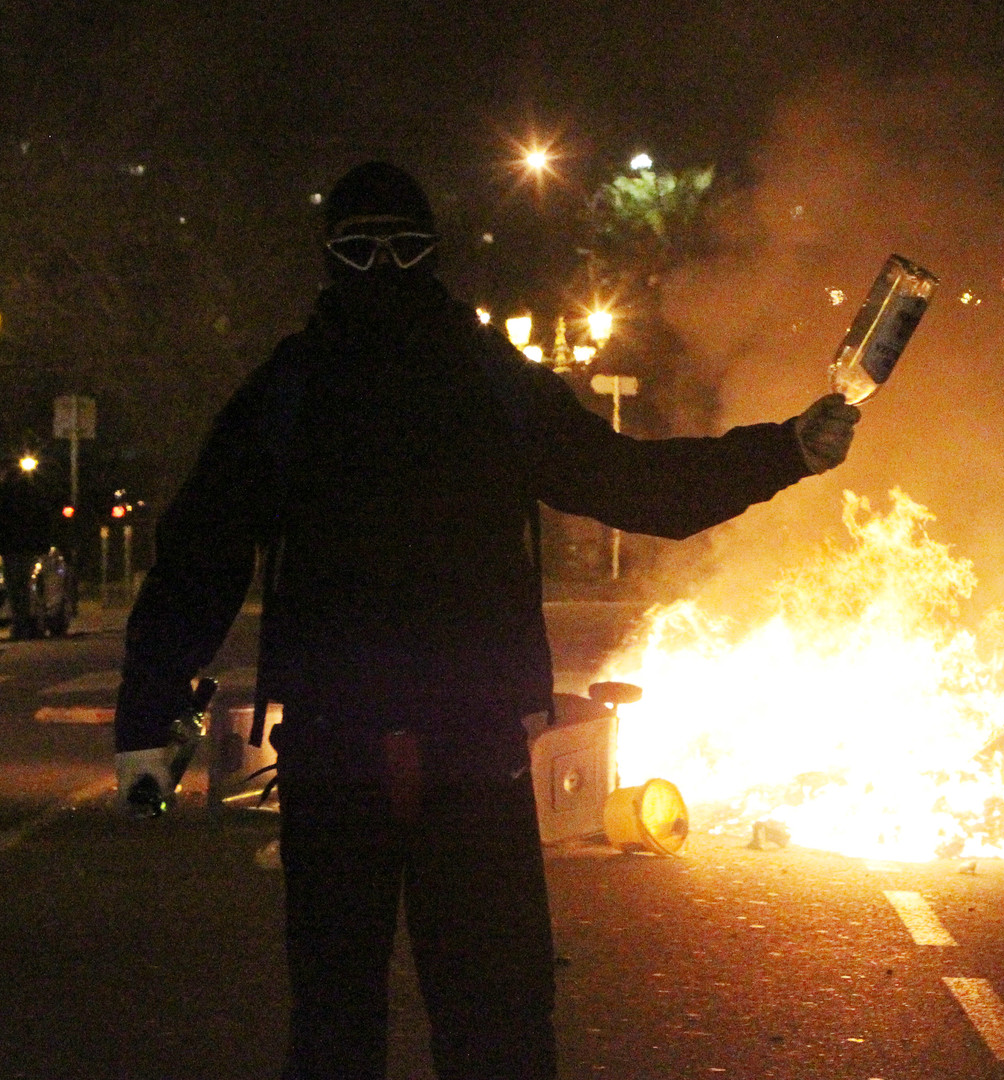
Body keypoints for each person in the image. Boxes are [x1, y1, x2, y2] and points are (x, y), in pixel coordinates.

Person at [112, 161, 861, 1080]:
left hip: (373, 750)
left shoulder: (304, 388)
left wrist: (783, 449)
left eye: (403, 246)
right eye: (361, 249)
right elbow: (201, 554)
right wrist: (782, 452)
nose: (384, 268)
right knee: (472, 1019)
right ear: (332, 259)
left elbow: (200, 555)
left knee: (372, 1021)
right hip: (444, 747)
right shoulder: (453, 380)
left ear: (430, 254)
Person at [0, 462, 55, 640]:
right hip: (28, 546)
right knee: (25, 585)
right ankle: (27, 624)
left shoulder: (5, 493)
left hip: (10, 546)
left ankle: (20, 624)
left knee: (14, 586)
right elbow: (43, 517)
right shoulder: (33, 493)